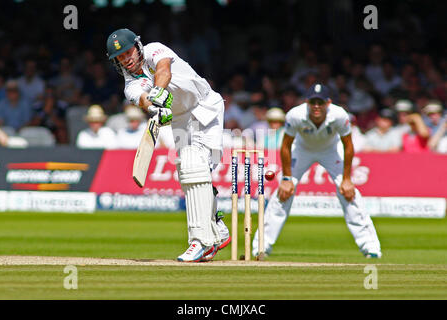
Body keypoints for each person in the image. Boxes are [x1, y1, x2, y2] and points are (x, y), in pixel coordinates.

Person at [106, 28, 230, 262]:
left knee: (195, 167)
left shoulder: (154, 49)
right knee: (189, 173)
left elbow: (164, 70)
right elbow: (141, 99)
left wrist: (158, 91)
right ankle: (217, 229)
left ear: (138, 46)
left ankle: (201, 242)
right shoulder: (130, 81)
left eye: (128, 52)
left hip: (204, 106)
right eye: (120, 57)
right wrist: (153, 106)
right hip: (182, 118)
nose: (126, 59)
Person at [252, 84, 382, 259]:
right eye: (313, 102)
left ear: (328, 103)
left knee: (348, 193)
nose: (316, 106)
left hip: (331, 151)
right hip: (302, 150)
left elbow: (348, 146)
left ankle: (371, 248)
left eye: (320, 102)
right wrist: (287, 178)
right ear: (307, 102)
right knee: (283, 194)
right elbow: (286, 146)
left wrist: (347, 179)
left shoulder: (339, 115)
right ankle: (261, 247)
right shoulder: (295, 115)